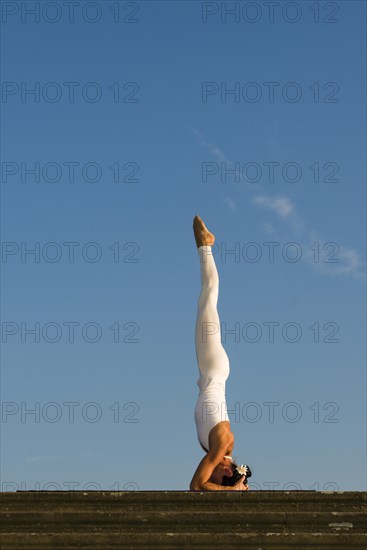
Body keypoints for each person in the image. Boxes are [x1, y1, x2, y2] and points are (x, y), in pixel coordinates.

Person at [189, 215, 251, 492]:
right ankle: (206, 246)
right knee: (208, 297)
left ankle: (206, 247)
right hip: (213, 369)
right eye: (220, 479)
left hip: (210, 371)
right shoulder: (222, 445)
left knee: (207, 300)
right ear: (226, 469)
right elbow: (196, 486)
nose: (211, 477)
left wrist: (234, 488)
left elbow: (202, 484)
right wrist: (233, 490)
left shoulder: (212, 448)